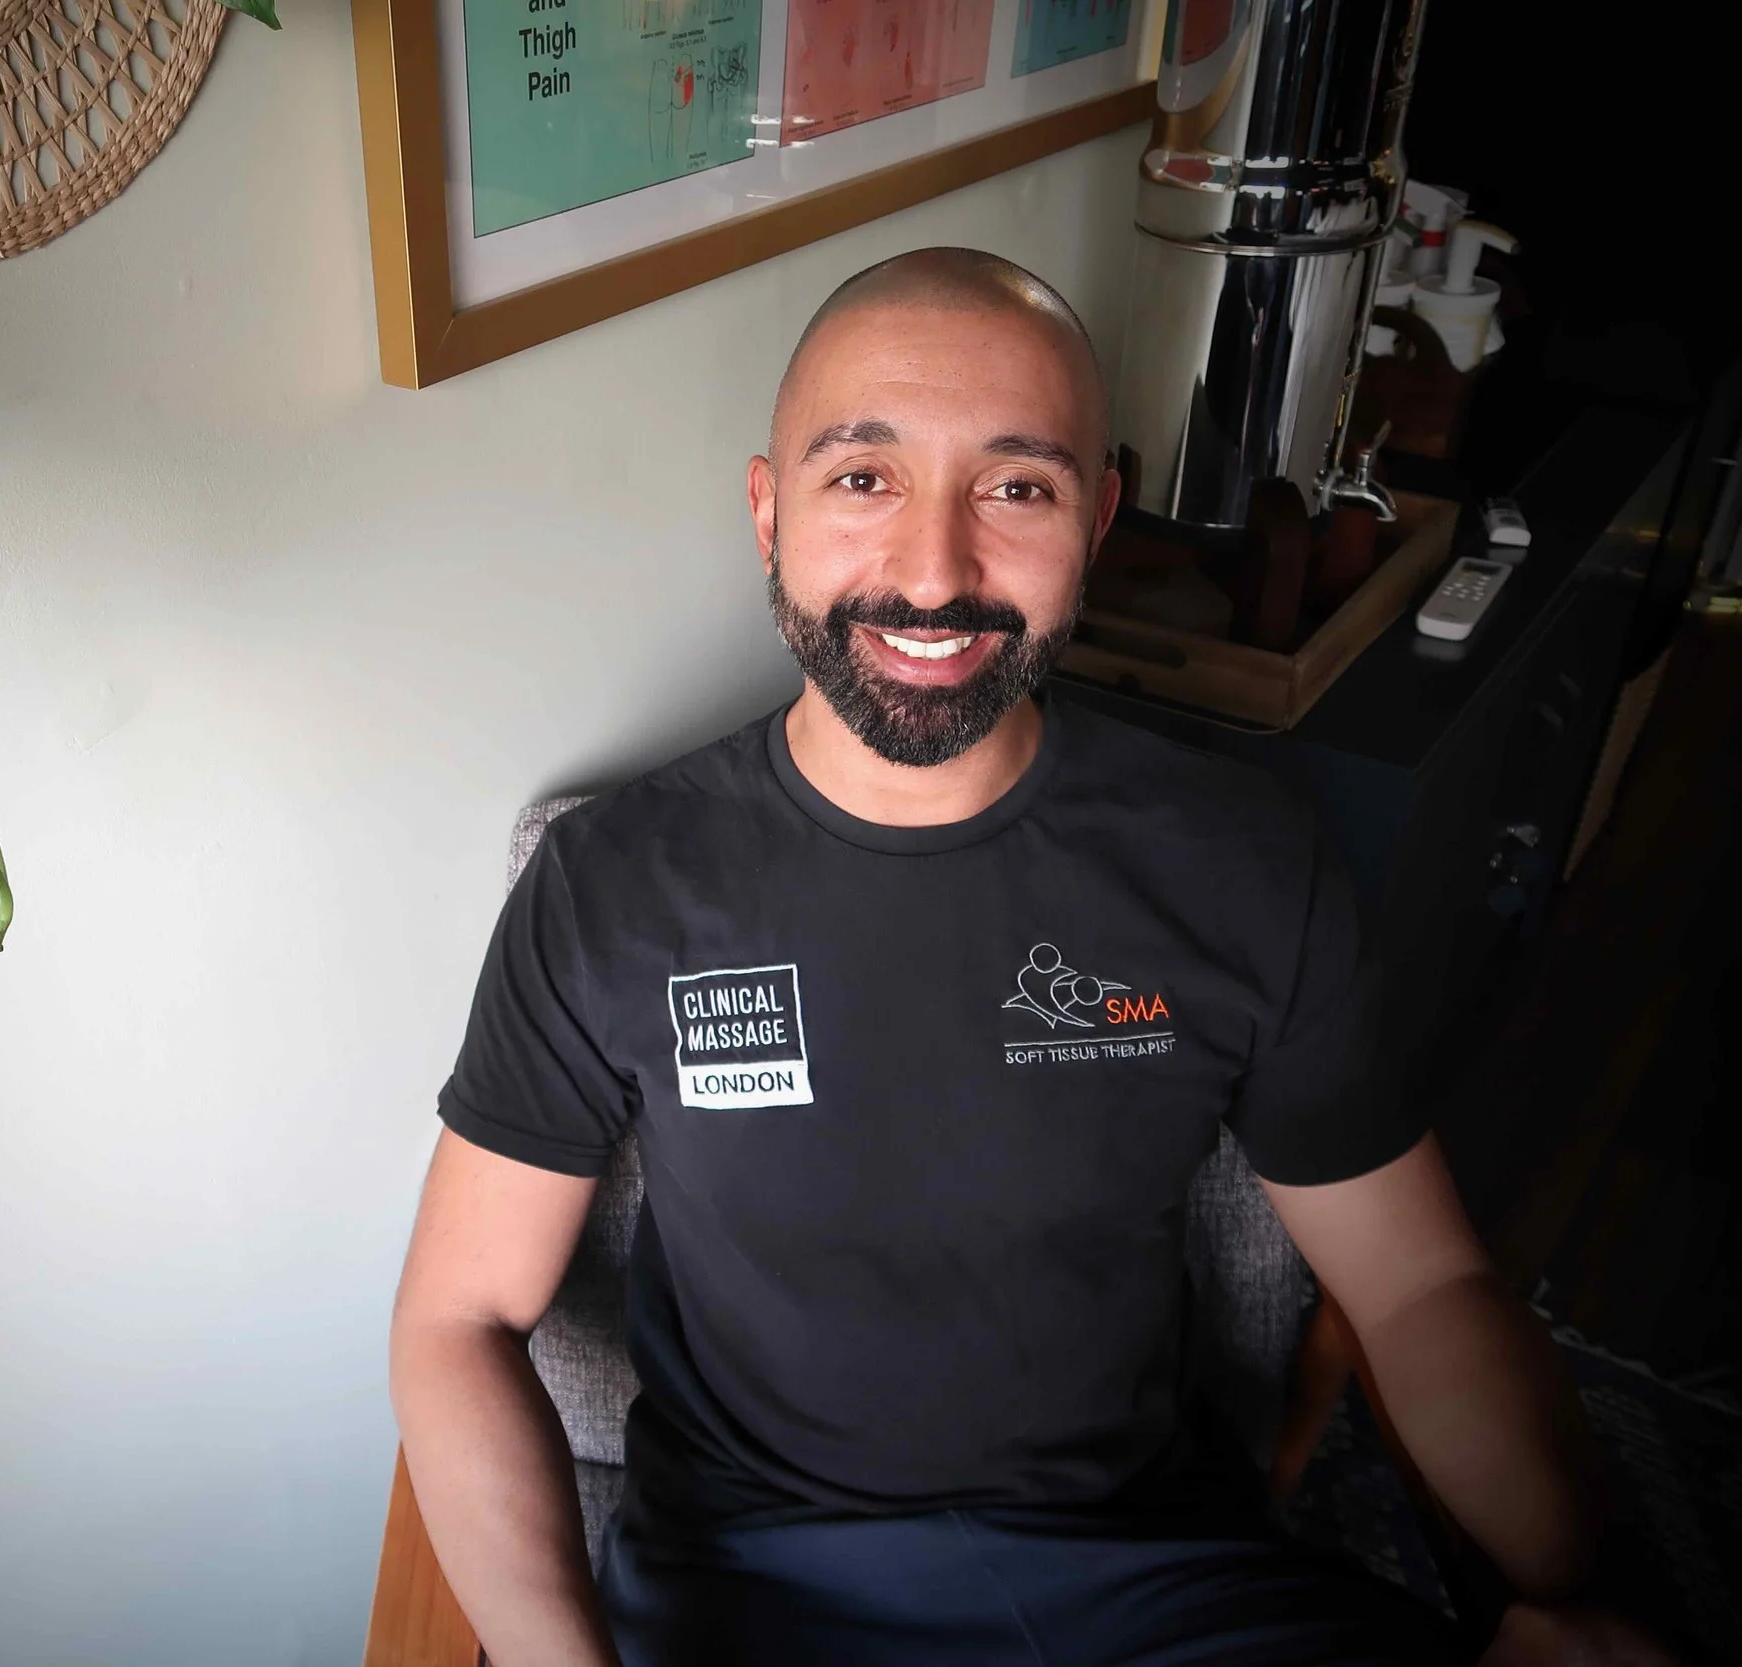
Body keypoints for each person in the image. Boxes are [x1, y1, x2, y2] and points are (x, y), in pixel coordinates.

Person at [388, 249, 1672, 1666]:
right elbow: (456, 1317)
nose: (934, 575)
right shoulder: (612, 882)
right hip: (760, 1593)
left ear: (1100, 516)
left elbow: (1421, 1284)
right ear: (770, 511)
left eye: (1016, 486)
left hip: (1159, 1584)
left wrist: (1576, 1589)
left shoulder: (1237, 856)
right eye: (863, 479)